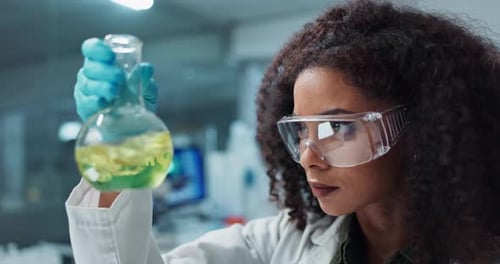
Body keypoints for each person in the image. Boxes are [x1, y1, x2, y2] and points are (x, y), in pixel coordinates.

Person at [66, 0, 500, 263]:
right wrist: (117, 147)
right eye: (301, 132)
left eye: (335, 127)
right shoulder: (276, 247)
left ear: (421, 126)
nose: (310, 157)